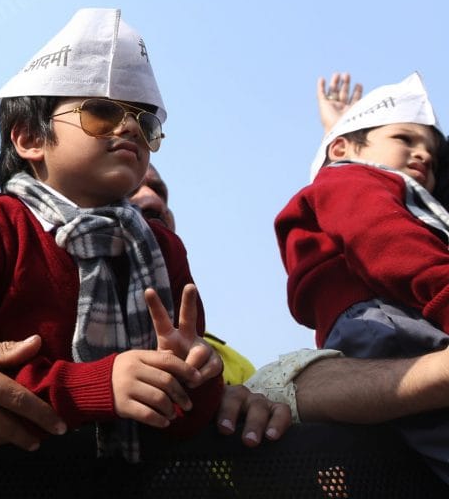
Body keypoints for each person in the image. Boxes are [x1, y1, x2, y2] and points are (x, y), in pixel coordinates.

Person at [0, 8, 223, 461]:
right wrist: (99, 385)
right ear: (29, 139)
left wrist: (196, 378)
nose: (129, 128)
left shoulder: (161, 248)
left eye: (145, 121)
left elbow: (188, 425)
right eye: (101, 111)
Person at [277, 71, 449, 480]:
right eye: (404, 139)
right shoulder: (353, 179)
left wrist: (340, 133)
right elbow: (391, 244)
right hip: (392, 321)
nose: (423, 155)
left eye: (433, 155)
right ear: (341, 149)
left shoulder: (350, 180)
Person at [129, 165, 256, 385]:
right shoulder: (53, 326)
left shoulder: (233, 365)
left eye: (159, 191)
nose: (153, 200)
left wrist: (227, 400)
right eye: (129, 189)